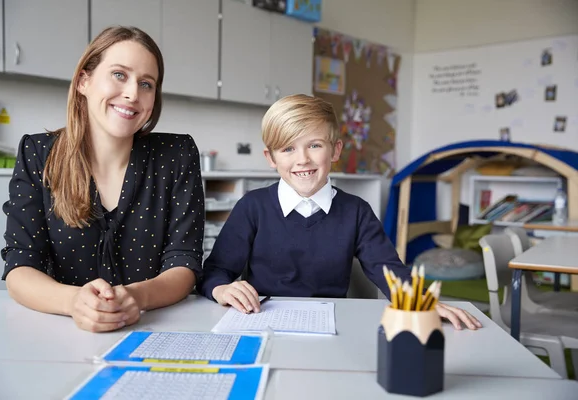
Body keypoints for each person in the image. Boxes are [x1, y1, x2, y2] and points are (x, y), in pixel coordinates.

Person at [198, 94, 481, 330]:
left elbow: (388, 269)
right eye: (288, 149)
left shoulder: (356, 211)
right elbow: (216, 271)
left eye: (315, 145)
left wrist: (421, 301)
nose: (303, 159)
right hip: (261, 323)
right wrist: (221, 289)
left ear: (335, 150)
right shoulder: (252, 206)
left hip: (331, 325)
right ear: (271, 158)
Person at [1, 26, 205, 333]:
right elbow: (20, 267)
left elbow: (184, 263)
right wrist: (74, 302)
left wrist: (136, 296)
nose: (132, 93)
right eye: (119, 75)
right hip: (61, 332)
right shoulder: (38, 154)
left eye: (146, 84)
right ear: (84, 81)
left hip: (155, 329)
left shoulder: (176, 154)